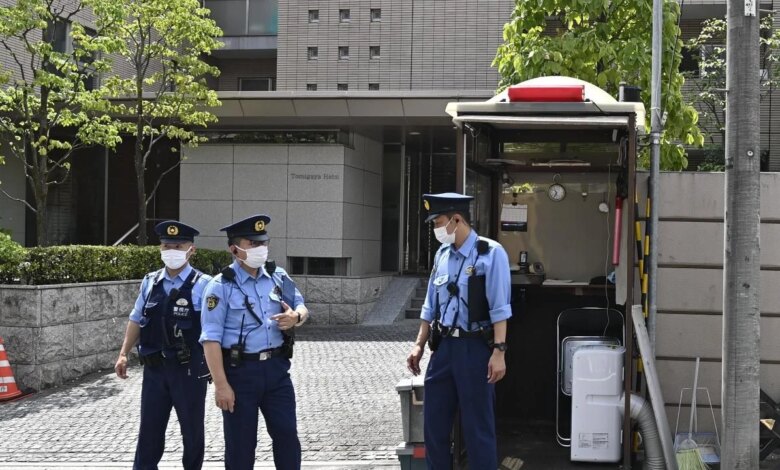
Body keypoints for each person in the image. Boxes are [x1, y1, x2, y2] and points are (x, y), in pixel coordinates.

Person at [406, 192, 512, 469]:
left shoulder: (490, 253)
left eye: (438, 222)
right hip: (444, 349)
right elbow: (430, 305)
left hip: (474, 348)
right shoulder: (442, 255)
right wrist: (419, 344)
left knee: (478, 429)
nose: (435, 229)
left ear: (456, 219)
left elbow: (500, 308)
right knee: (434, 427)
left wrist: (499, 351)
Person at [199, 214, 309, 470]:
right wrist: (221, 385)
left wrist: (296, 317)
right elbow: (210, 339)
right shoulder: (220, 286)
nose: (261, 248)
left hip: (276, 370)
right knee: (241, 446)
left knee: (287, 437)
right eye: (253, 243)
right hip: (240, 374)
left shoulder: (277, 276)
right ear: (234, 249)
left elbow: (302, 307)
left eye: (263, 242)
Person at [115, 220, 212, 470]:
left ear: (191, 250)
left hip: (188, 370)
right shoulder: (151, 281)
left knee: (192, 431)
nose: (171, 251)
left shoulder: (204, 285)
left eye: (178, 246)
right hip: (155, 369)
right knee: (149, 430)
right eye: (167, 246)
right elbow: (136, 318)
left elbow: (212, 330)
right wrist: (123, 353)